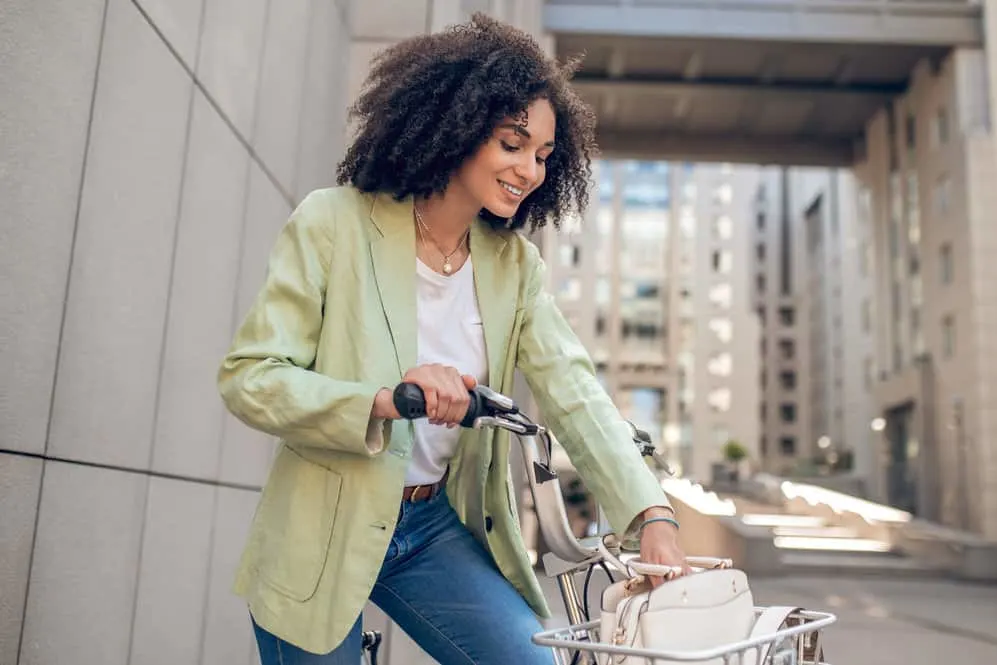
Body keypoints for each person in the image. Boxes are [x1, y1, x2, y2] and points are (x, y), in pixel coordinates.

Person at [218, 13, 688, 665]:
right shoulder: (333, 223)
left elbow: (575, 393)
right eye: (511, 143)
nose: (528, 169)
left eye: (543, 155)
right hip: (322, 523)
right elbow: (251, 378)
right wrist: (386, 399)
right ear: (456, 126)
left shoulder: (513, 267)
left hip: (429, 526)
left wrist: (650, 515)